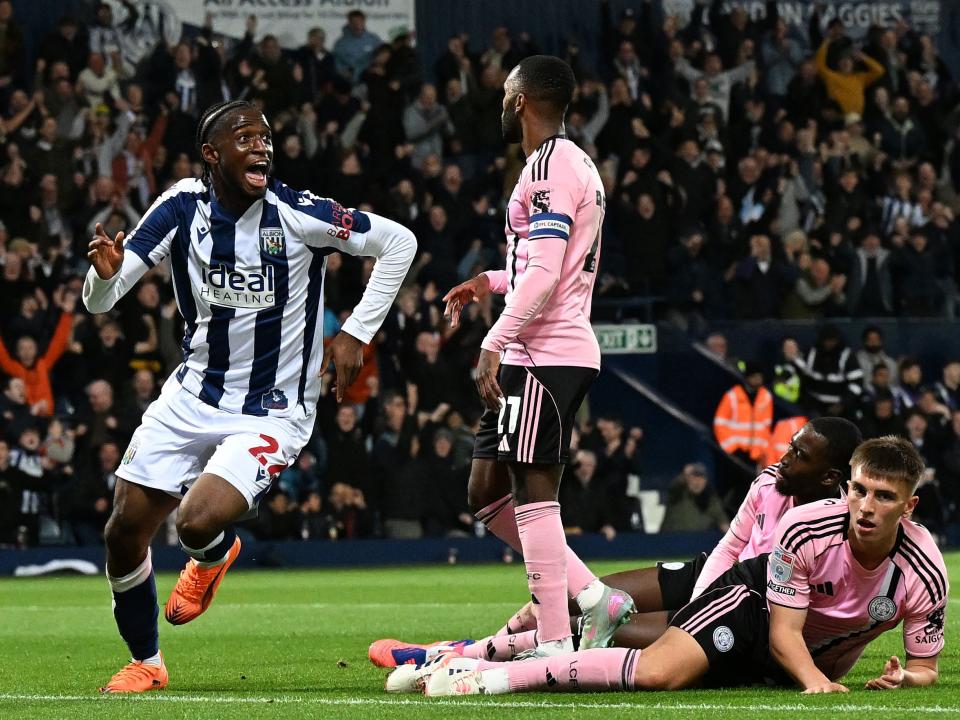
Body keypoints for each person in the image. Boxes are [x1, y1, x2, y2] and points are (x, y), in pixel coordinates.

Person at [83, 99, 416, 693]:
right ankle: (147, 663)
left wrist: (357, 331)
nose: (262, 146)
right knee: (123, 530)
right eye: (245, 138)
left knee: (195, 523)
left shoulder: (298, 213)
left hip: (272, 408)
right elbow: (102, 301)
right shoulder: (182, 207)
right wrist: (105, 275)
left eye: (266, 136)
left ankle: (213, 556)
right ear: (211, 155)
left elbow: (399, 242)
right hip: (192, 392)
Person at [417, 435, 946, 696]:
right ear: (845, 487)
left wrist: (907, 679)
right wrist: (815, 683)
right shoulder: (804, 525)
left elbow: (926, 666)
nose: (867, 506)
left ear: (909, 506)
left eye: (883, 496)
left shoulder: (924, 573)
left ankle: (467, 657)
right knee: (652, 667)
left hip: (787, 655)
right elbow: (782, 628)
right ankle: (484, 671)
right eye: (860, 491)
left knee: (616, 626)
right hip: (749, 603)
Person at [371, 417, 862, 665]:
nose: (786, 457)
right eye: (792, 446)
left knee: (593, 630)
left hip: (746, 610)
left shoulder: (833, 525)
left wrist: (693, 622)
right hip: (711, 580)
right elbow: (732, 546)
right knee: (585, 593)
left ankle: (456, 658)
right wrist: (698, 601)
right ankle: (466, 647)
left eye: (800, 455)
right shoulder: (770, 482)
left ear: (828, 478)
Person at [439, 55, 628, 660]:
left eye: (505, 89)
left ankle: (553, 638)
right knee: (486, 491)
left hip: (546, 352)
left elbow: (547, 272)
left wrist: (493, 340)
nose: (501, 97)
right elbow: (540, 265)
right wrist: (489, 282)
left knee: (531, 491)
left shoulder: (548, 168)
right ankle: (595, 596)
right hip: (542, 343)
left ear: (521, 99)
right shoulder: (572, 165)